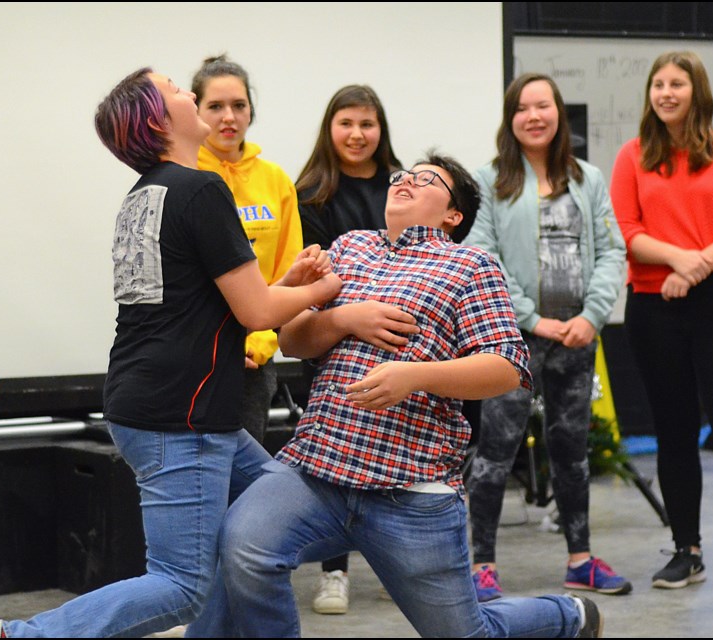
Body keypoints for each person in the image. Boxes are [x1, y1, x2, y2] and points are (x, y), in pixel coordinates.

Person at [0, 67, 340, 638]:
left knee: (271, 519)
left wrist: (292, 280)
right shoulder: (201, 190)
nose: (191, 94)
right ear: (157, 118)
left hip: (167, 407)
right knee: (179, 587)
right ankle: (27, 636)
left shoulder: (148, 194)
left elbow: (221, 296)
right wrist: (329, 289)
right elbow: (255, 314)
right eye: (177, 89)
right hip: (180, 416)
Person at [187, 152, 604, 638]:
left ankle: (567, 616)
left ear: (454, 215)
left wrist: (415, 376)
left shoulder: (471, 265)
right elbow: (292, 340)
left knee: (467, 633)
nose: (405, 182)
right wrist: (342, 317)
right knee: (245, 547)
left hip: (410, 492)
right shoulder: (350, 248)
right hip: (319, 470)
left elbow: (507, 368)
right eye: (402, 176)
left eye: (426, 180)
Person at [609, 50, 713, 592]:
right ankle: (687, 550)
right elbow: (629, 230)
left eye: (677, 83)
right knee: (673, 433)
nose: (666, 93)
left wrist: (697, 267)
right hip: (654, 309)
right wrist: (683, 262)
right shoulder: (633, 155)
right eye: (658, 84)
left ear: (696, 91)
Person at [463, 73, 630, 602]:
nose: (534, 116)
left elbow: (612, 253)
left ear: (558, 113)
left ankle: (580, 560)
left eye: (543, 106)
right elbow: (482, 255)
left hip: (578, 338)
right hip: (510, 341)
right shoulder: (488, 181)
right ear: (510, 118)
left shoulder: (589, 179)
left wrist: (593, 315)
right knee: (493, 453)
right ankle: (481, 565)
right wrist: (532, 318)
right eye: (523, 108)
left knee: (573, 453)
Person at [292, 83, 404, 615]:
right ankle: (333, 573)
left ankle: (400, 562)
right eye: (346, 124)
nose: (357, 135)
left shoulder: (403, 186)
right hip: (337, 339)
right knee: (337, 459)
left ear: (381, 129)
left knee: (401, 451)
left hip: (403, 335)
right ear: (329, 129)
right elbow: (318, 275)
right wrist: (353, 318)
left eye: (367, 124)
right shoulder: (311, 192)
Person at [191, 54, 303, 445]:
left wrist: (256, 343)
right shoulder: (184, 174)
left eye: (238, 106)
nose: (228, 117)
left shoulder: (275, 180)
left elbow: (290, 271)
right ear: (195, 111)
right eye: (216, 106)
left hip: (254, 361)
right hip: (193, 360)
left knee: (244, 485)